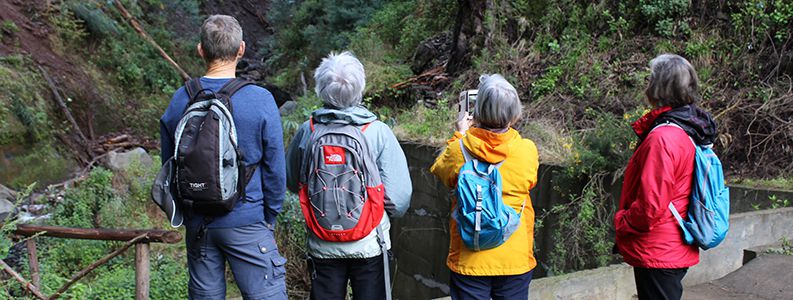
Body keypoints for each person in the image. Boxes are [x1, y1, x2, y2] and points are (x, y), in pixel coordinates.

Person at [159, 15, 287, 299]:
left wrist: (188, 211)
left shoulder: (181, 99)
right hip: (248, 221)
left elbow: (169, 166)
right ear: (241, 49)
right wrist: (269, 216)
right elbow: (276, 169)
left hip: (199, 224)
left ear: (201, 50)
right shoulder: (261, 100)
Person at [285, 51, 412, 300]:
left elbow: (292, 182)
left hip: (322, 243)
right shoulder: (377, 132)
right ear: (360, 88)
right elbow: (399, 199)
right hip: (370, 244)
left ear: (321, 88)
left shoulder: (307, 131)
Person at [614, 54, 717, 300]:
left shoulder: (663, 137)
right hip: (672, 243)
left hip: (659, 248)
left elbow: (650, 206)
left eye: (650, 79)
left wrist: (623, 222)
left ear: (658, 87)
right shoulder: (687, 128)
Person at [430, 74, 539, 300]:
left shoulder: (459, 150)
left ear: (477, 110)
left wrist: (460, 134)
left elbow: (442, 171)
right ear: (514, 112)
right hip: (514, 258)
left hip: (470, 258)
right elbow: (530, 181)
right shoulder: (527, 150)